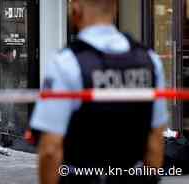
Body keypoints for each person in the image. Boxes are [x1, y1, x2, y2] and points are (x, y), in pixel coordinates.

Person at [30, 0, 168, 184]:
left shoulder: (66, 63)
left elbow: (50, 149)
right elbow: (155, 138)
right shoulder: (149, 61)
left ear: (76, 8)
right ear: (115, 8)